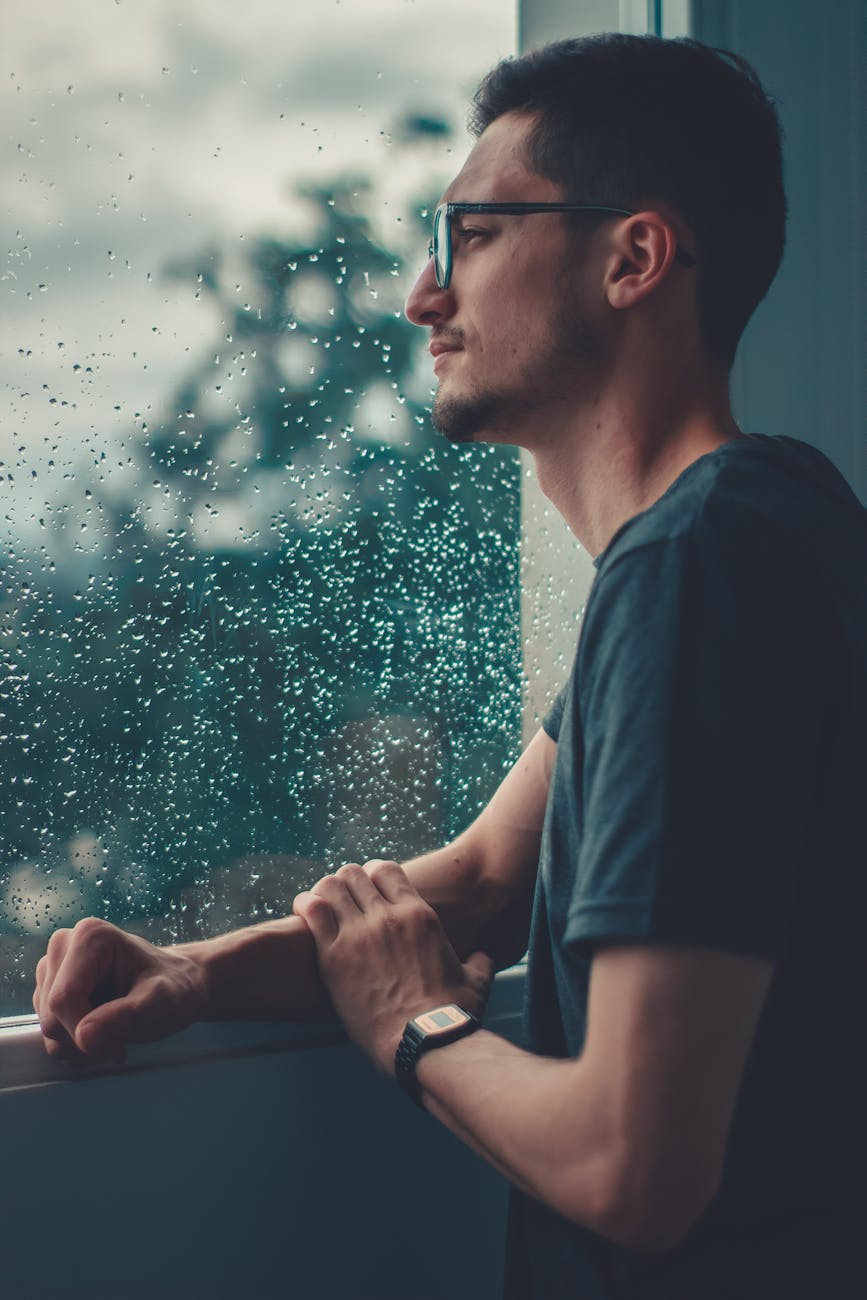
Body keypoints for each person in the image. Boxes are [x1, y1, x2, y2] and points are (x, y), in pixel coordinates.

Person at [33, 34, 866, 1300]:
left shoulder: (700, 566)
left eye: (471, 235)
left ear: (633, 257)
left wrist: (416, 1027)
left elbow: (636, 1167)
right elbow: (477, 882)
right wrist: (193, 971)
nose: (425, 294)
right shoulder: (764, 524)